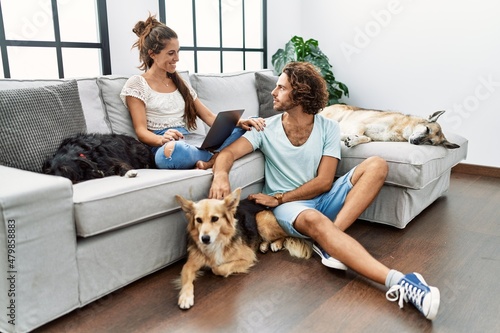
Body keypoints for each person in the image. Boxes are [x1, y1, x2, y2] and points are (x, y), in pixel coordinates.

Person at [209, 61, 440, 320]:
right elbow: (228, 153)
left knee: (377, 164)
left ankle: (330, 242)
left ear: (300, 95)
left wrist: (279, 197)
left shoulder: (328, 127)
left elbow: (325, 182)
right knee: (313, 219)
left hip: (308, 198)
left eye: (281, 88)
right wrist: (220, 175)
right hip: (292, 210)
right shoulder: (266, 128)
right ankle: (400, 282)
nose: (274, 92)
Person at [120, 14, 265, 170]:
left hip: (192, 140)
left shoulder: (180, 82)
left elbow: (209, 117)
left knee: (253, 125)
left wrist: (240, 121)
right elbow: (141, 131)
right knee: (172, 153)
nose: (177, 58)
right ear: (152, 54)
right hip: (165, 145)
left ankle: (212, 159)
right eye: (171, 53)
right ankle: (220, 156)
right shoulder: (137, 84)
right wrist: (162, 139)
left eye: (177, 52)